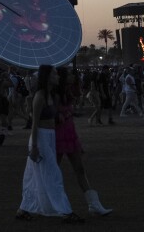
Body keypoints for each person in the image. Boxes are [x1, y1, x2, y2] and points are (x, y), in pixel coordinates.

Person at [16, 65, 84, 223]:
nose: (58, 76)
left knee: (33, 176)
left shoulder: (50, 95)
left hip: (49, 137)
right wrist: (34, 147)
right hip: (41, 138)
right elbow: (34, 123)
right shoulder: (40, 96)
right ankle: (65, 211)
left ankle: (23, 209)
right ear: (47, 76)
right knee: (53, 174)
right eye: (55, 74)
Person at [55, 67, 112, 216]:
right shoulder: (54, 93)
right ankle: (50, 202)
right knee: (53, 170)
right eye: (69, 74)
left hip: (70, 133)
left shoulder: (68, 91)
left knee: (79, 168)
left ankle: (94, 204)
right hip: (58, 135)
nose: (73, 76)